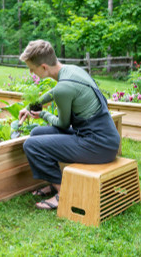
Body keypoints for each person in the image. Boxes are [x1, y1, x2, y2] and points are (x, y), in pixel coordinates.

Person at [19, 40, 120, 210]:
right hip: (103, 138)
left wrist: (42, 113)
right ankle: (54, 182)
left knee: (31, 145)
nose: (31, 72)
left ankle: (61, 193)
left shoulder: (63, 88)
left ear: (43, 67)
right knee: (36, 133)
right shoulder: (72, 70)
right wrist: (32, 105)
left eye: (32, 68)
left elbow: (63, 125)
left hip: (98, 145)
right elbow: (55, 92)